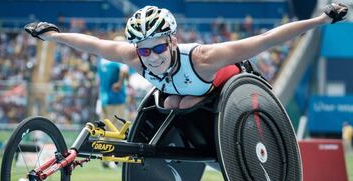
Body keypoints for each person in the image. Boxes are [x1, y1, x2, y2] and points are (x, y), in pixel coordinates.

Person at [24, 3, 348, 109]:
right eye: (143, 49)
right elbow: (92, 44)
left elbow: (266, 39)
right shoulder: (134, 57)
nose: (150, 57)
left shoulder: (204, 57)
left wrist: (320, 20)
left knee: (178, 103)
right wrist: (53, 35)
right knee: (168, 104)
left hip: (223, 87)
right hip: (181, 94)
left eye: (158, 47)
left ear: (173, 40)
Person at [96, 35, 129, 128]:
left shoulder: (103, 59)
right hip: (116, 99)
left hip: (103, 99)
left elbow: (98, 80)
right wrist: (119, 83)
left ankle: (102, 143)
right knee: (118, 127)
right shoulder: (119, 58)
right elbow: (124, 71)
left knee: (103, 128)